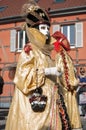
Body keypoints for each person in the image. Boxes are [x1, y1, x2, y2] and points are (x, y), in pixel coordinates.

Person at [5, 1, 71, 130]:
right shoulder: (29, 50)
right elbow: (22, 77)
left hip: (51, 101)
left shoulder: (46, 53)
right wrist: (47, 71)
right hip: (34, 104)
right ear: (34, 30)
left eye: (47, 28)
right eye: (42, 28)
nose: (46, 32)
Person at [50, 31, 82, 130]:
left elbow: (66, 72)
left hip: (68, 91)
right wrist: (73, 84)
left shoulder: (63, 56)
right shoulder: (61, 56)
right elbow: (63, 74)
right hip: (66, 91)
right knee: (68, 113)